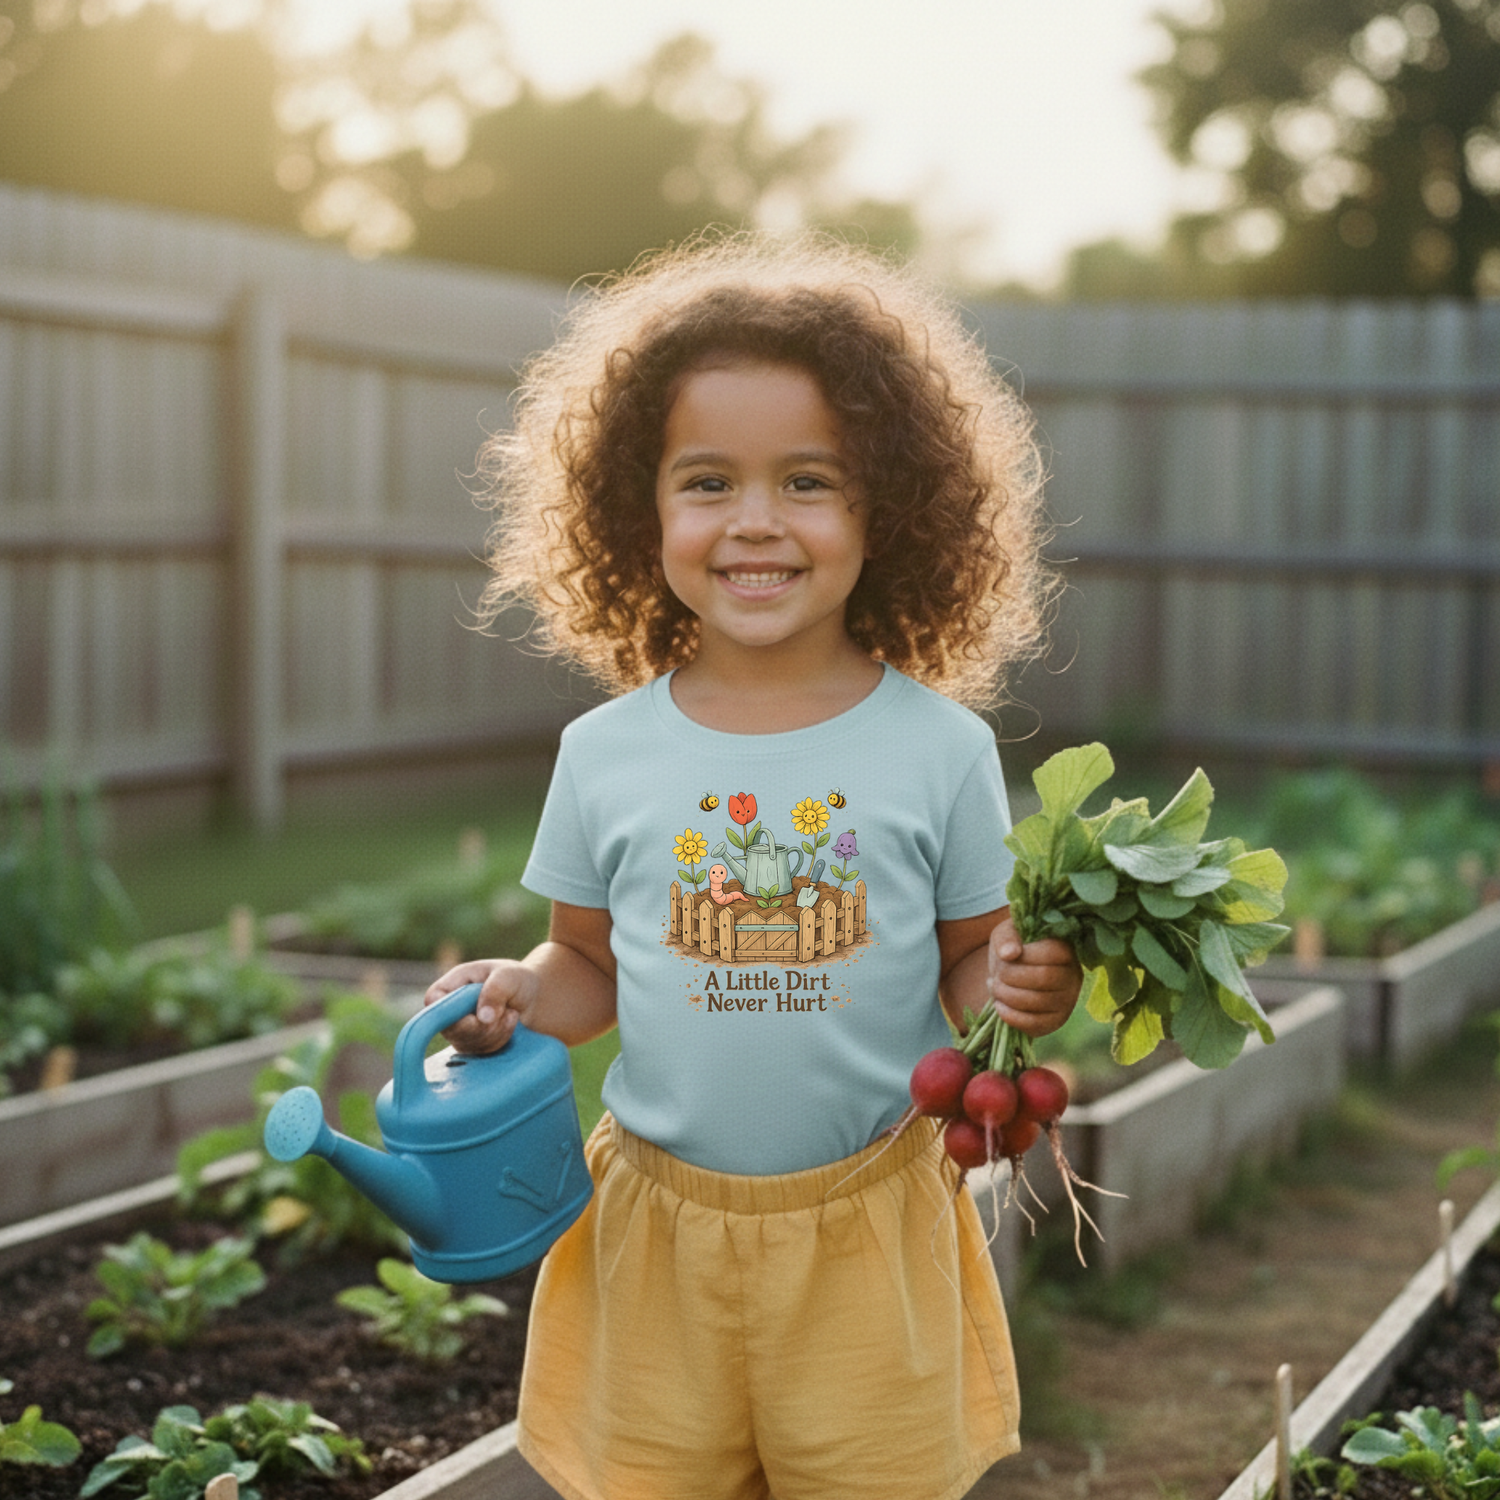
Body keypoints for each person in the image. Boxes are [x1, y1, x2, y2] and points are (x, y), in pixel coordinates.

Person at [423, 231, 1082, 1500]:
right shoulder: (604, 749)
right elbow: (587, 967)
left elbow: (964, 964)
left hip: (869, 1232)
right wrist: (516, 990)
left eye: (810, 482)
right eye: (709, 482)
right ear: (643, 510)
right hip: (654, 1238)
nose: (757, 523)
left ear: (886, 510)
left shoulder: (939, 746)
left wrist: (1015, 988)